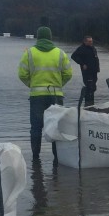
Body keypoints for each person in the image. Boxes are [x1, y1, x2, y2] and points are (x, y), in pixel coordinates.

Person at [18, 26, 73, 160]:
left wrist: (32, 84)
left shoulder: (29, 53)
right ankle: (57, 157)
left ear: (38, 37)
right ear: (50, 37)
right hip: (56, 95)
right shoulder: (60, 53)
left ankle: (35, 157)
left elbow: (22, 74)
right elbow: (68, 74)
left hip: (37, 97)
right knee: (56, 126)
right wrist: (59, 85)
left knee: (36, 127)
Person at [71, 35, 101, 106]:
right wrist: (82, 64)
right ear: (85, 42)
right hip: (87, 72)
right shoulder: (81, 49)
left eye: (91, 41)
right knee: (89, 88)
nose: (91, 42)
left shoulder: (93, 48)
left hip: (94, 71)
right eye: (89, 41)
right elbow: (73, 56)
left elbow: (96, 58)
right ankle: (87, 104)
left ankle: (92, 104)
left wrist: (98, 68)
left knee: (93, 88)